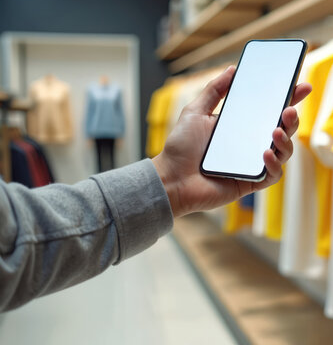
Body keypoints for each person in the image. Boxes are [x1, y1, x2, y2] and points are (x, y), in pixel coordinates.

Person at [0, 66, 312, 312]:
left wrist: (171, 180)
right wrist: (169, 182)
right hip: (95, 133)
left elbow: (17, 232)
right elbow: (19, 236)